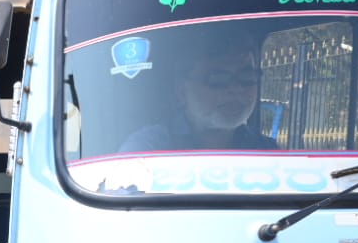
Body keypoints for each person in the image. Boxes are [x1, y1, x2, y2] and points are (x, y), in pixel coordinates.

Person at [118, 33, 279, 153]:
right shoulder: (147, 149)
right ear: (181, 91)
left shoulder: (266, 151)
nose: (236, 88)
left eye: (247, 77)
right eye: (218, 79)